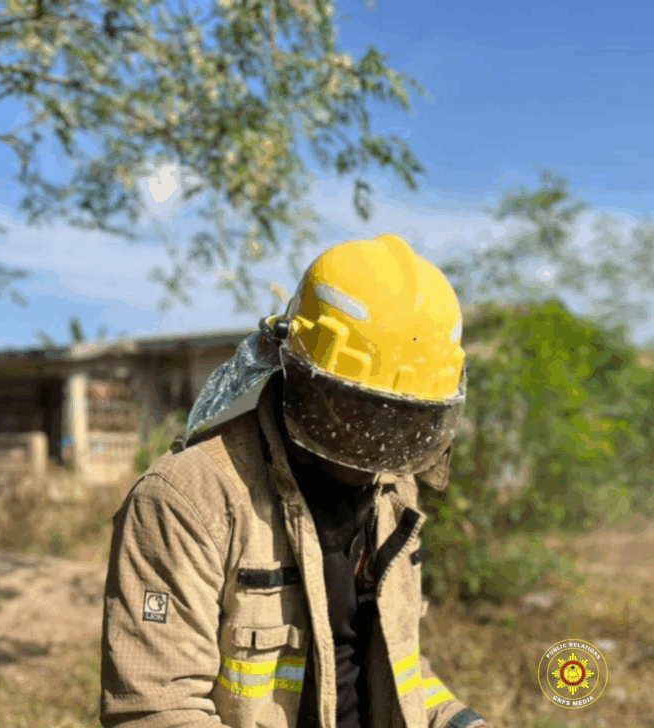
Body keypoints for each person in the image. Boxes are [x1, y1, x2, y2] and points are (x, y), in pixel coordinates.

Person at [100, 234, 491, 728]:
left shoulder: (394, 490)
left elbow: (396, 664)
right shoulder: (186, 500)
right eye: (360, 409)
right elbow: (157, 711)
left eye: (403, 420)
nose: (378, 442)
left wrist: (461, 722)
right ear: (302, 378)